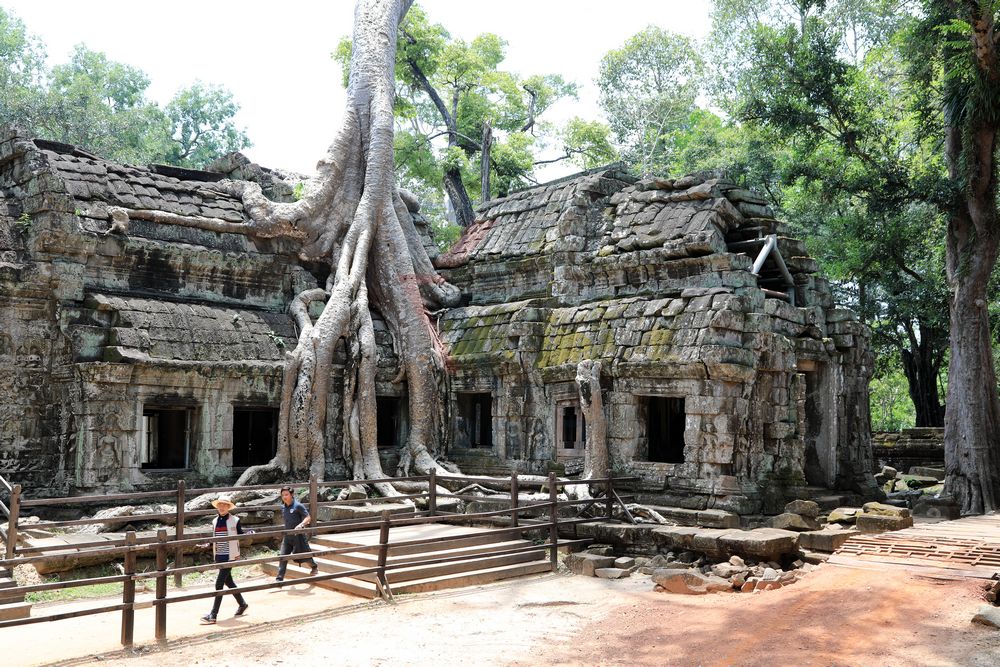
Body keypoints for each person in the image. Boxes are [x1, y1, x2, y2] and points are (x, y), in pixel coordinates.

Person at [200, 497, 250, 624]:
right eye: (220, 505)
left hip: (230, 555)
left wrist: (250, 533)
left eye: (225, 505)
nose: (222, 507)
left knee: (219, 584)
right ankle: (242, 604)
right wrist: (208, 544)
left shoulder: (235, 520)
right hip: (219, 555)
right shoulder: (215, 521)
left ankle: (213, 615)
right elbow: (215, 537)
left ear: (228, 507)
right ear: (217, 506)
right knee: (229, 582)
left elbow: (241, 534)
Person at [275, 486, 319, 581]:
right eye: (282, 495)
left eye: (286, 494)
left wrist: (301, 525)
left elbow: (308, 517)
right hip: (287, 537)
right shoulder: (283, 507)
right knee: (283, 556)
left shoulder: (298, 506)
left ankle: (314, 566)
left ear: (292, 495)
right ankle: (279, 578)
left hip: (298, 536)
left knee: (305, 555)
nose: (284, 497)